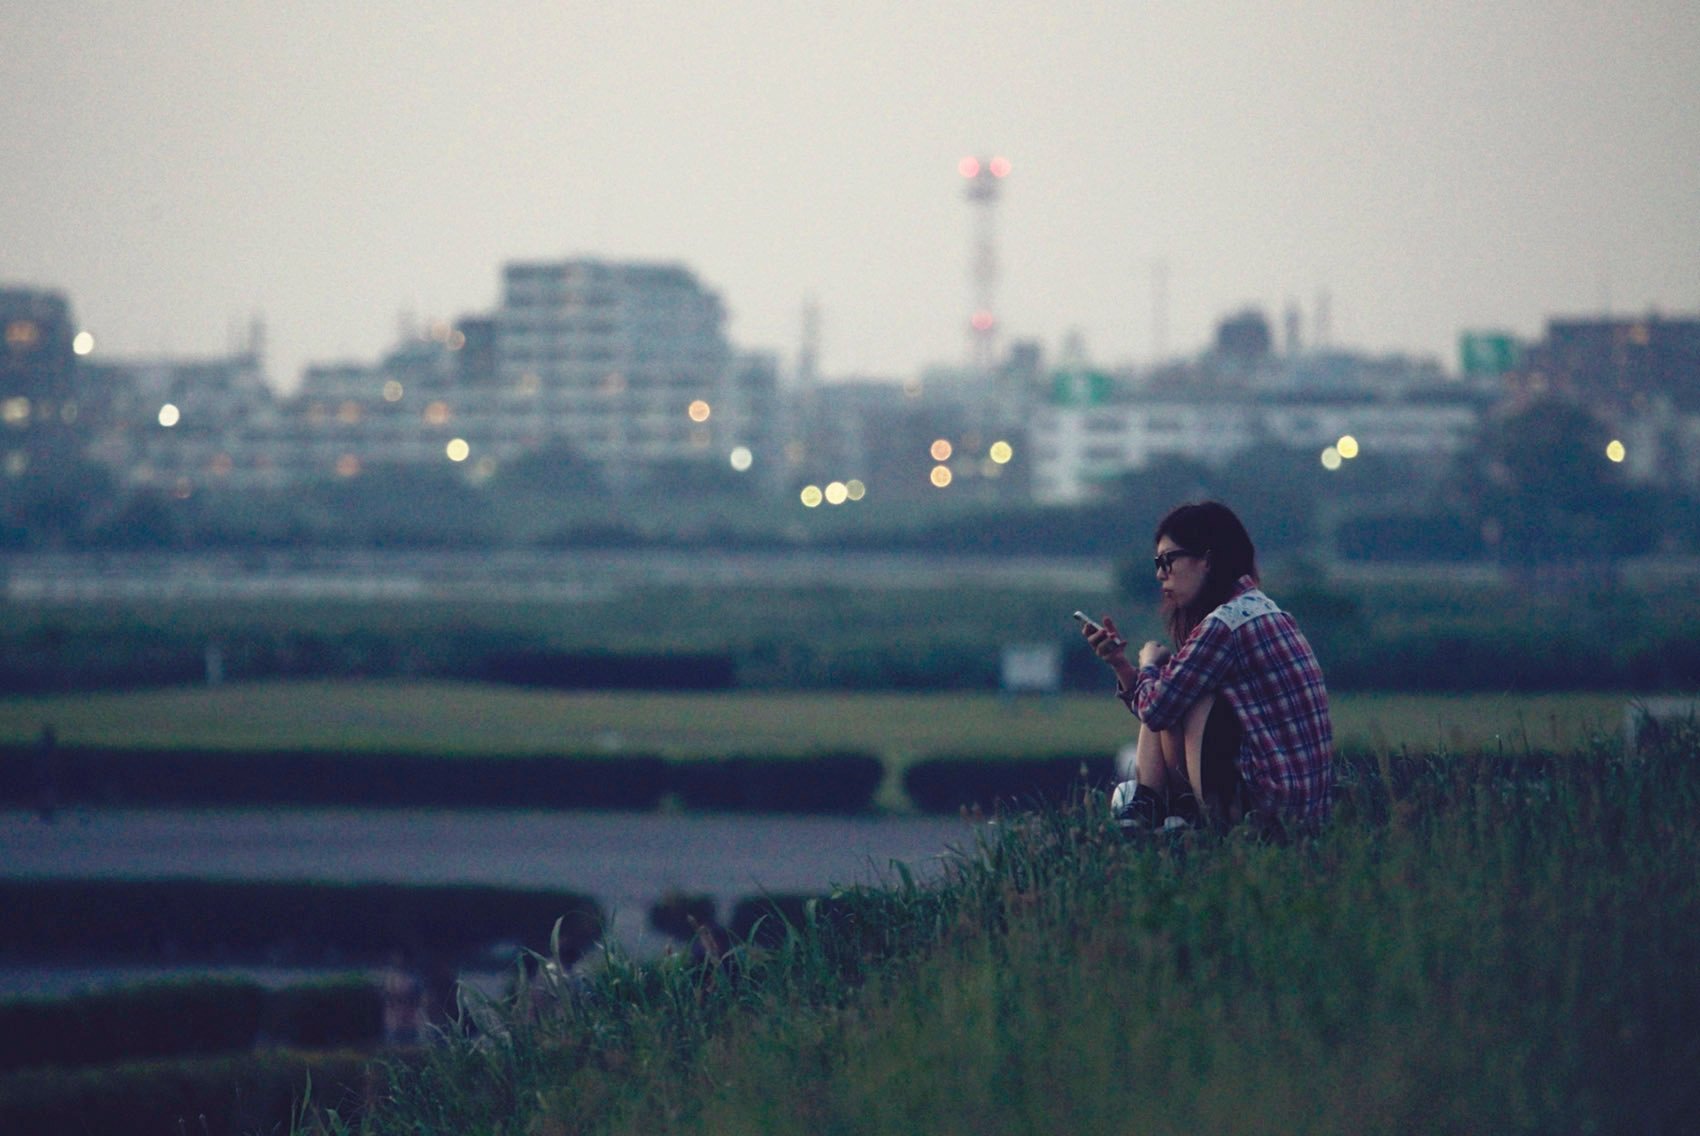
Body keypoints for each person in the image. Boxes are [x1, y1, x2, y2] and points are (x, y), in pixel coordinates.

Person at [1080, 501, 1333, 833]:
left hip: (1268, 814)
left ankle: (1145, 807)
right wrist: (1120, 664)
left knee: (1185, 695)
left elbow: (1156, 711)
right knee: (1178, 686)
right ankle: (1151, 806)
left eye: (1168, 560)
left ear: (1207, 561)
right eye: (1158, 563)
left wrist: (1148, 664)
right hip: (1306, 809)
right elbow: (1160, 703)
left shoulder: (1225, 624)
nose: (1160, 574)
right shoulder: (1265, 609)